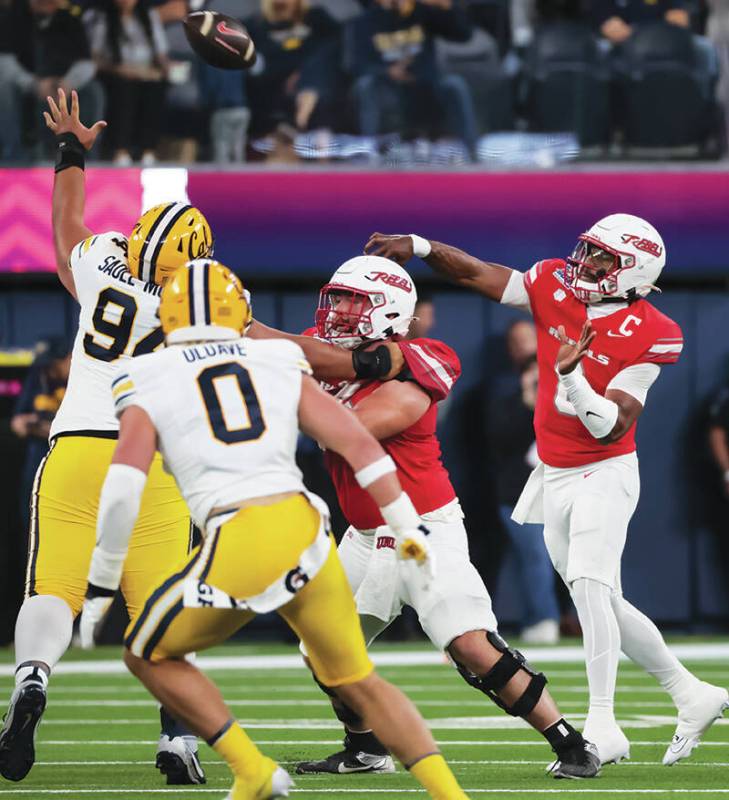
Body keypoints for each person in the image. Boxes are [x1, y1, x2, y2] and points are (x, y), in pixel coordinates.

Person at [80, 258, 470, 800]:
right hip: (308, 527)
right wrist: (405, 523)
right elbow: (357, 444)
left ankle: (252, 771)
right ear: (239, 310)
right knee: (357, 677)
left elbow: (124, 488)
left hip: (243, 533)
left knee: (146, 653)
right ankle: (452, 795)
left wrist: (100, 582)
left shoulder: (143, 375)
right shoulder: (278, 359)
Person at [364, 215, 729, 766]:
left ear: (632, 272)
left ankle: (603, 725)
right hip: (553, 472)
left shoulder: (654, 329)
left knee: (588, 586)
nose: (585, 264)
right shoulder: (555, 282)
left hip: (605, 470)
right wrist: (419, 246)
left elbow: (614, 425)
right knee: (603, 597)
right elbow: (479, 274)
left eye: (602, 259)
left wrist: (574, 381)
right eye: (589, 251)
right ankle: (690, 693)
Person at [249, 255, 599, 780]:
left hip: (422, 529)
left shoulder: (421, 366)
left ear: (387, 312)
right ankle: (364, 748)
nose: (337, 310)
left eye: (352, 301)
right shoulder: (322, 352)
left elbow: (347, 430)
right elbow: (309, 356)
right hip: (366, 534)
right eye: (337, 298)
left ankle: (571, 742)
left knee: (469, 645)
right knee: (321, 646)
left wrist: (252, 337)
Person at [0, 88, 213, 786]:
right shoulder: (204, 299)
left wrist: (70, 154)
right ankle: (176, 740)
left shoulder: (104, 263)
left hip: (77, 448)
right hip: (152, 463)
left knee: (53, 590)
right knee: (161, 607)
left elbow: (65, 238)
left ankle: (32, 679)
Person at [487, 346, 561, 645]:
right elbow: (500, 443)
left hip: (556, 495)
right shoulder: (507, 406)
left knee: (557, 560)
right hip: (516, 496)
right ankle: (543, 619)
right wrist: (527, 406)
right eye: (533, 374)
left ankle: (548, 617)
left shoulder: (562, 405)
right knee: (535, 557)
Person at [348, 0, 478, 156]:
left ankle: (471, 150)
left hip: (425, 83)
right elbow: (356, 64)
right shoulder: (365, 21)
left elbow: (464, 35)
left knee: (455, 85)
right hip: (388, 87)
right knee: (365, 85)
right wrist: (387, 71)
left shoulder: (423, 13)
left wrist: (447, 7)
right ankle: (368, 150)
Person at [0, 0, 103, 161]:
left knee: (95, 91)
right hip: (25, 83)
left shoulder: (70, 20)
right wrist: (33, 84)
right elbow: (5, 62)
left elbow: (86, 63)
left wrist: (68, 83)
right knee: (3, 89)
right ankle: (14, 155)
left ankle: (87, 153)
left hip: (66, 84)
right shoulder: (13, 19)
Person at [86, 0, 169, 165]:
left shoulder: (149, 16)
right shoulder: (102, 18)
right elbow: (94, 58)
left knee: (156, 89)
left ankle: (148, 150)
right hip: (115, 73)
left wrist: (163, 70)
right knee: (124, 91)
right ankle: (120, 150)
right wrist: (119, 69)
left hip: (146, 72)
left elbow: (161, 55)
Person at [244, 0, 341, 139]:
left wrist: (303, 74)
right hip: (273, 85)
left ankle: (303, 115)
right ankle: (301, 121)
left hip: (318, 84)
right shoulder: (254, 25)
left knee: (323, 63)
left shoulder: (317, 18)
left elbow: (336, 47)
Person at [10, 338, 71, 533]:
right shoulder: (39, 377)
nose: (49, 369)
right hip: (36, 462)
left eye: (53, 364)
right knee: (31, 521)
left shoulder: (80, 383)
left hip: (67, 464)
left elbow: (67, 431)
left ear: (69, 358)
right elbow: (18, 424)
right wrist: (43, 426)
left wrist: (37, 425)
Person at [592, 0, 690, 45]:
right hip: (621, 43)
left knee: (702, 49)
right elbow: (609, 26)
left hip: (660, 42)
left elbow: (680, 19)